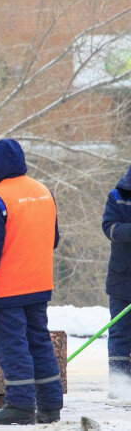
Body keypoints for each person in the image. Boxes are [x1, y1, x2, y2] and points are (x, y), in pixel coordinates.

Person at [0, 139, 62, 425]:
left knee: (13, 345)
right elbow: (54, 239)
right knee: (39, 342)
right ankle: (51, 405)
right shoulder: (43, 191)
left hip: (7, 288)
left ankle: (20, 406)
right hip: (39, 283)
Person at [102, 163, 131, 398]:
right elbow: (109, 227)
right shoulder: (117, 196)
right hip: (123, 280)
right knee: (120, 333)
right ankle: (120, 386)